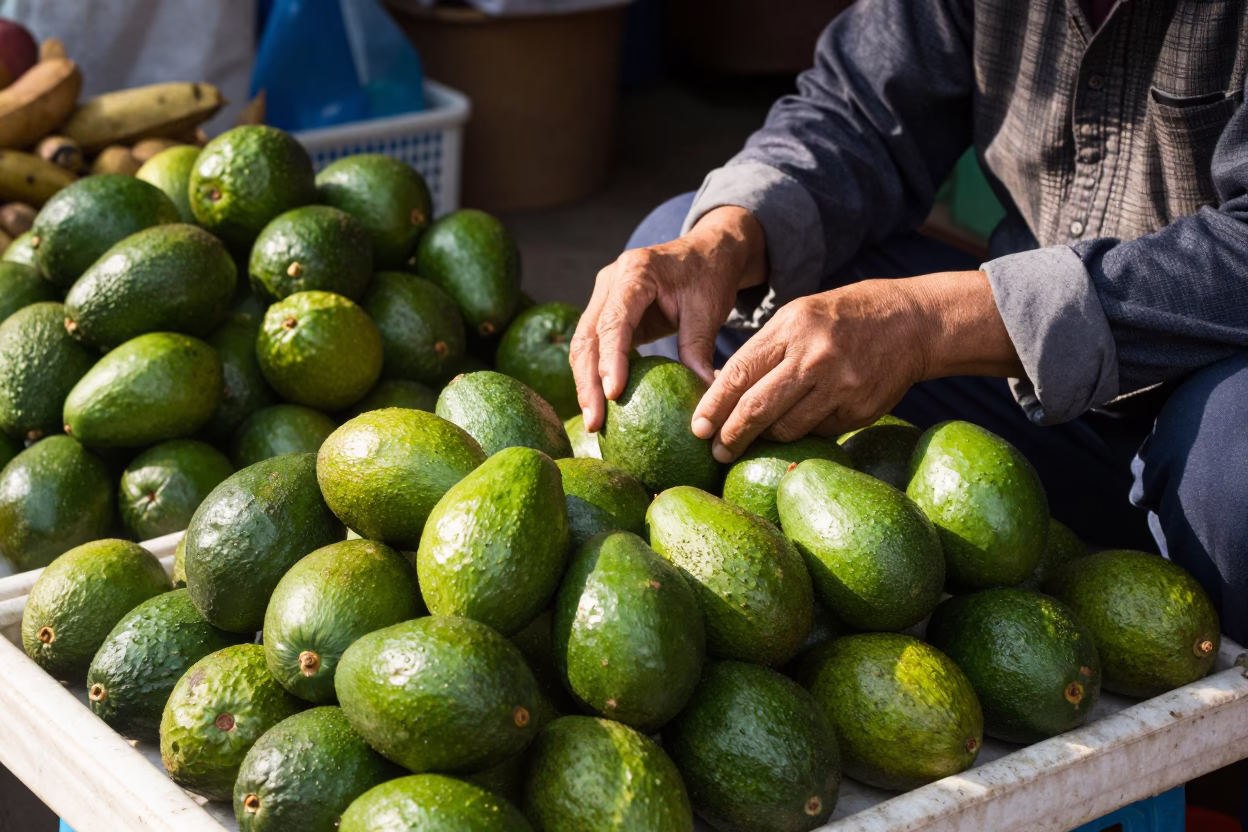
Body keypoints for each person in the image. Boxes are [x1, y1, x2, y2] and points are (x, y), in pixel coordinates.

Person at [570, 0, 1248, 644]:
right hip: (1026, 394)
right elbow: (859, 112)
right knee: (693, 268)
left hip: (1208, 412)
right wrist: (722, 241)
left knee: (1236, 469)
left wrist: (927, 323)